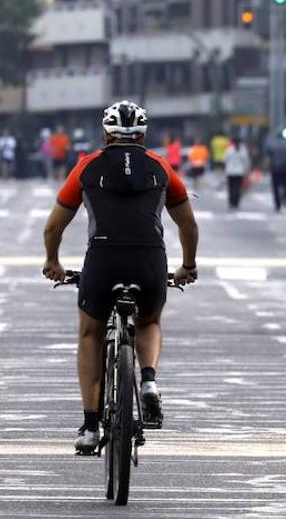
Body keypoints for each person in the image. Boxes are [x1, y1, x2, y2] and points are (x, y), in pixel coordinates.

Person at [40, 100, 199, 454]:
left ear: (105, 133)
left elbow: (54, 226)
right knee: (150, 320)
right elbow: (187, 223)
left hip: (103, 258)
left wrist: (53, 261)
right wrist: (188, 265)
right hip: (149, 259)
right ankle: (148, 381)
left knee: (90, 331)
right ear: (144, 134)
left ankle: (91, 425)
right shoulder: (161, 167)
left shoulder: (87, 167)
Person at [262, 130, 286, 211]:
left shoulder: (272, 145)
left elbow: (268, 158)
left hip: (275, 169)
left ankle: (277, 204)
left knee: (275, 186)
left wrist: (265, 168)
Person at [223, 137, 250, 209]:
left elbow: (224, 160)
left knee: (231, 188)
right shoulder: (243, 150)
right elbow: (246, 161)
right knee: (238, 188)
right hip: (239, 172)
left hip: (230, 172)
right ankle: (236, 203)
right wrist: (246, 170)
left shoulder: (229, 150)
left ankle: (231, 202)